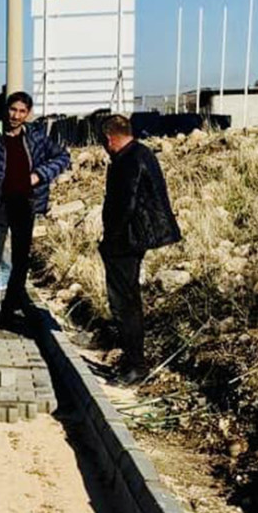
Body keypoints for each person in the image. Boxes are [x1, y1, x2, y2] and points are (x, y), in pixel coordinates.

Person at [0, 91, 71, 334]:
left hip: (25, 205)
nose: (16, 115)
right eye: (13, 110)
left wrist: (40, 174)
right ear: (6, 110)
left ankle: (9, 310)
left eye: (22, 111)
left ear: (28, 114)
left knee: (21, 261)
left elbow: (63, 156)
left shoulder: (35, 137)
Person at [99, 114, 181, 385]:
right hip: (135, 237)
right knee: (128, 300)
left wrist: (110, 240)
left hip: (127, 240)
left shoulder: (128, 161)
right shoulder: (141, 153)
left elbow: (125, 204)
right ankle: (131, 361)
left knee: (124, 303)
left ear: (110, 138)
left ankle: (136, 365)